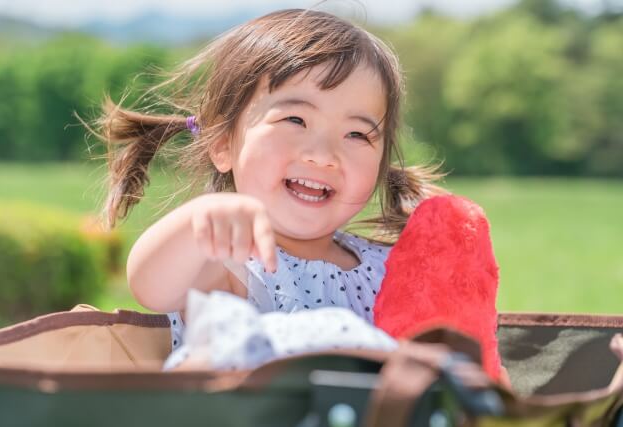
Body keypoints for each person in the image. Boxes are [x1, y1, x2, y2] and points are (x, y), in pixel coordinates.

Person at [96, 9, 446, 362]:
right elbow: (150, 284)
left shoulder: (387, 268)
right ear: (221, 145)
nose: (323, 155)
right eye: (295, 119)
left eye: (357, 134)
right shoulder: (229, 263)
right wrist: (200, 218)